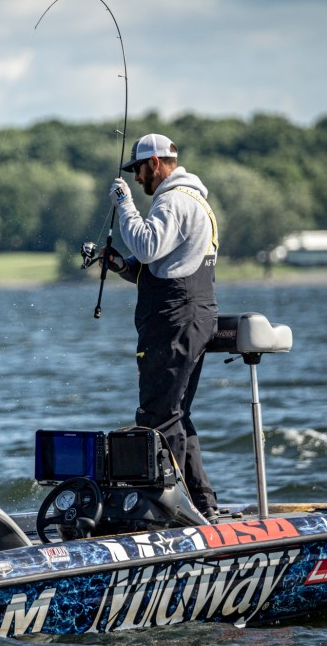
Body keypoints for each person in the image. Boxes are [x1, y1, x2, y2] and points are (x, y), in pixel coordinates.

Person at [102, 133, 220, 518]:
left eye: (137, 170)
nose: (136, 178)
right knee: (175, 413)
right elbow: (158, 265)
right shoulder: (191, 199)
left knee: (159, 417)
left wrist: (124, 204)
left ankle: (173, 514)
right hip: (190, 316)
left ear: (154, 163)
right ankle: (203, 507)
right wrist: (119, 264)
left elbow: (147, 247)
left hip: (175, 320)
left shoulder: (173, 200)